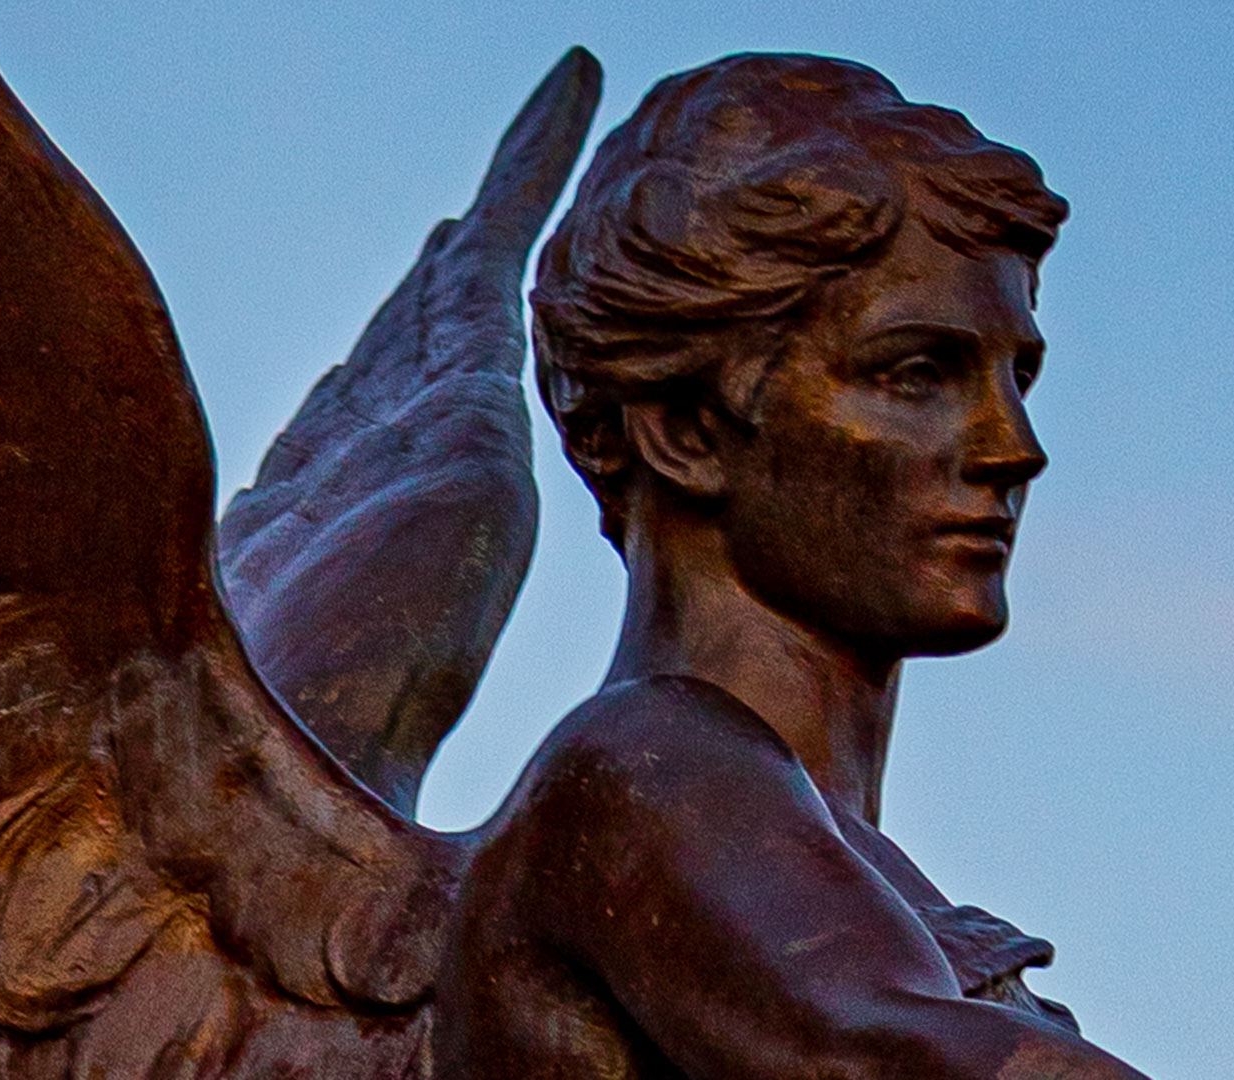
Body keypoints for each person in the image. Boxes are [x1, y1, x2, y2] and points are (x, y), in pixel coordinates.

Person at [433, 53, 1148, 1078]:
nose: (1012, 446)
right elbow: (873, 1057)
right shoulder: (640, 774)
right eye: (917, 373)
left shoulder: (830, 864)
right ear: (685, 428)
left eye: (1016, 375)